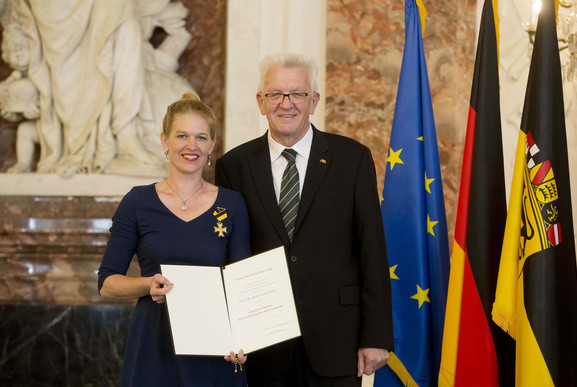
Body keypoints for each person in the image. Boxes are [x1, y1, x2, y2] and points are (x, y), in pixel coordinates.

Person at [215, 52, 393, 386]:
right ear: (260, 101)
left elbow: (372, 249)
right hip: (262, 347)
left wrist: (377, 335)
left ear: (313, 101)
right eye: (275, 94)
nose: (286, 104)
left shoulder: (352, 159)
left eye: (297, 94)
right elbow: (227, 254)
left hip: (337, 340)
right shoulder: (233, 166)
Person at [98, 93, 250, 387]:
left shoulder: (233, 204)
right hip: (153, 346)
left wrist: (245, 342)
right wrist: (147, 284)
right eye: (182, 135)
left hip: (216, 350)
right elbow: (107, 283)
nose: (191, 146)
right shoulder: (137, 202)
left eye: (201, 137)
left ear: (212, 145)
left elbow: (243, 284)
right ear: (165, 141)